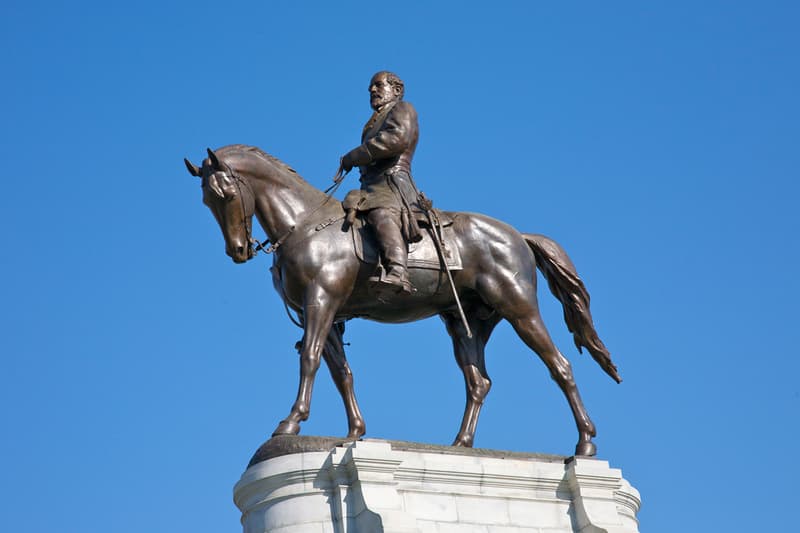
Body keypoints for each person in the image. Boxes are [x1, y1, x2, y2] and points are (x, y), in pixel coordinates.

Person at [340, 71, 422, 293]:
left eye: (378, 85)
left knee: (380, 213)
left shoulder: (403, 109)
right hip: (370, 186)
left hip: (392, 184)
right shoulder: (373, 122)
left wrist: (354, 156)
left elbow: (396, 140)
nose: (373, 90)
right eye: (370, 88)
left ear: (396, 90)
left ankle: (398, 271)